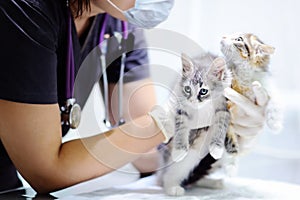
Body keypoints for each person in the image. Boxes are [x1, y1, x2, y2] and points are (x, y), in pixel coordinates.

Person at [0, 0, 268, 195]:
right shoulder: (22, 9)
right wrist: (175, 116)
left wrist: (215, 135)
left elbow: (149, 154)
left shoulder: (119, 22)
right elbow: (47, 170)